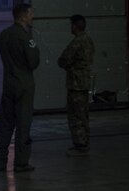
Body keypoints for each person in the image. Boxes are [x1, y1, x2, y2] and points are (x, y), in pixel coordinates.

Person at [0, 3, 40, 173]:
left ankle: (1, 162)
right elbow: (33, 62)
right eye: (31, 14)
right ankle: (21, 162)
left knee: (6, 125)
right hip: (24, 85)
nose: (32, 17)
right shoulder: (25, 37)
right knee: (23, 125)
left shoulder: (3, 35)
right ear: (23, 16)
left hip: (8, 83)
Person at [57, 14, 95, 157]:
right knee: (83, 114)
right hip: (84, 83)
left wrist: (68, 66)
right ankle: (84, 142)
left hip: (75, 84)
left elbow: (63, 60)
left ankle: (80, 146)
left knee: (75, 116)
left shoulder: (76, 42)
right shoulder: (88, 40)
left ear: (74, 26)